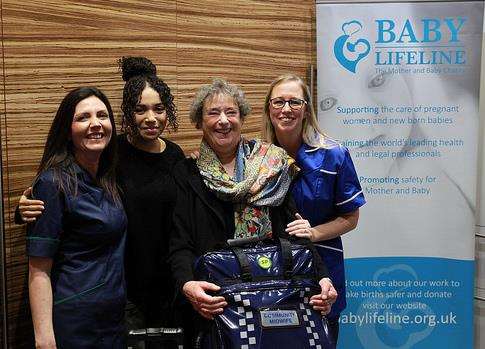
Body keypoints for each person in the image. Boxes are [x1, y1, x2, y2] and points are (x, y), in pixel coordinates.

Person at [17, 57, 185, 347]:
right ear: (126, 113)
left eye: (158, 109)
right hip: (116, 295)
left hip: (161, 287)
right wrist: (24, 208)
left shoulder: (173, 156)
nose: (150, 117)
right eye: (140, 109)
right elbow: (57, 200)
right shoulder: (111, 154)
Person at [168, 78, 337, 346]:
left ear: (242, 118)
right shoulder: (186, 173)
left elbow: (294, 232)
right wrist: (187, 284)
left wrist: (323, 276)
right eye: (213, 113)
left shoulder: (270, 165)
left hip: (276, 304)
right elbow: (179, 242)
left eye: (231, 112)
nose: (223, 120)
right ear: (199, 122)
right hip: (217, 306)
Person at [262, 74, 366, 342]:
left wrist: (314, 233)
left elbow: (351, 217)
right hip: (269, 273)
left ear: (306, 109)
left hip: (321, 274)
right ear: (268, 109)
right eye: (279, 102)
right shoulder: (254, 158)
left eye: (294, 102)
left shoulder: (334, 155)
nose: (286, 110)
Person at [26, 87, 127, 348]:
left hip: (112, 318)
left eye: (102, 116)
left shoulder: (108, 178)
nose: (95, 124)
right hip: (75, 322)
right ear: (67, 131)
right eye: (83, 117)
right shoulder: (52, 183)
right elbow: (39, 269)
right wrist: (44, 339)